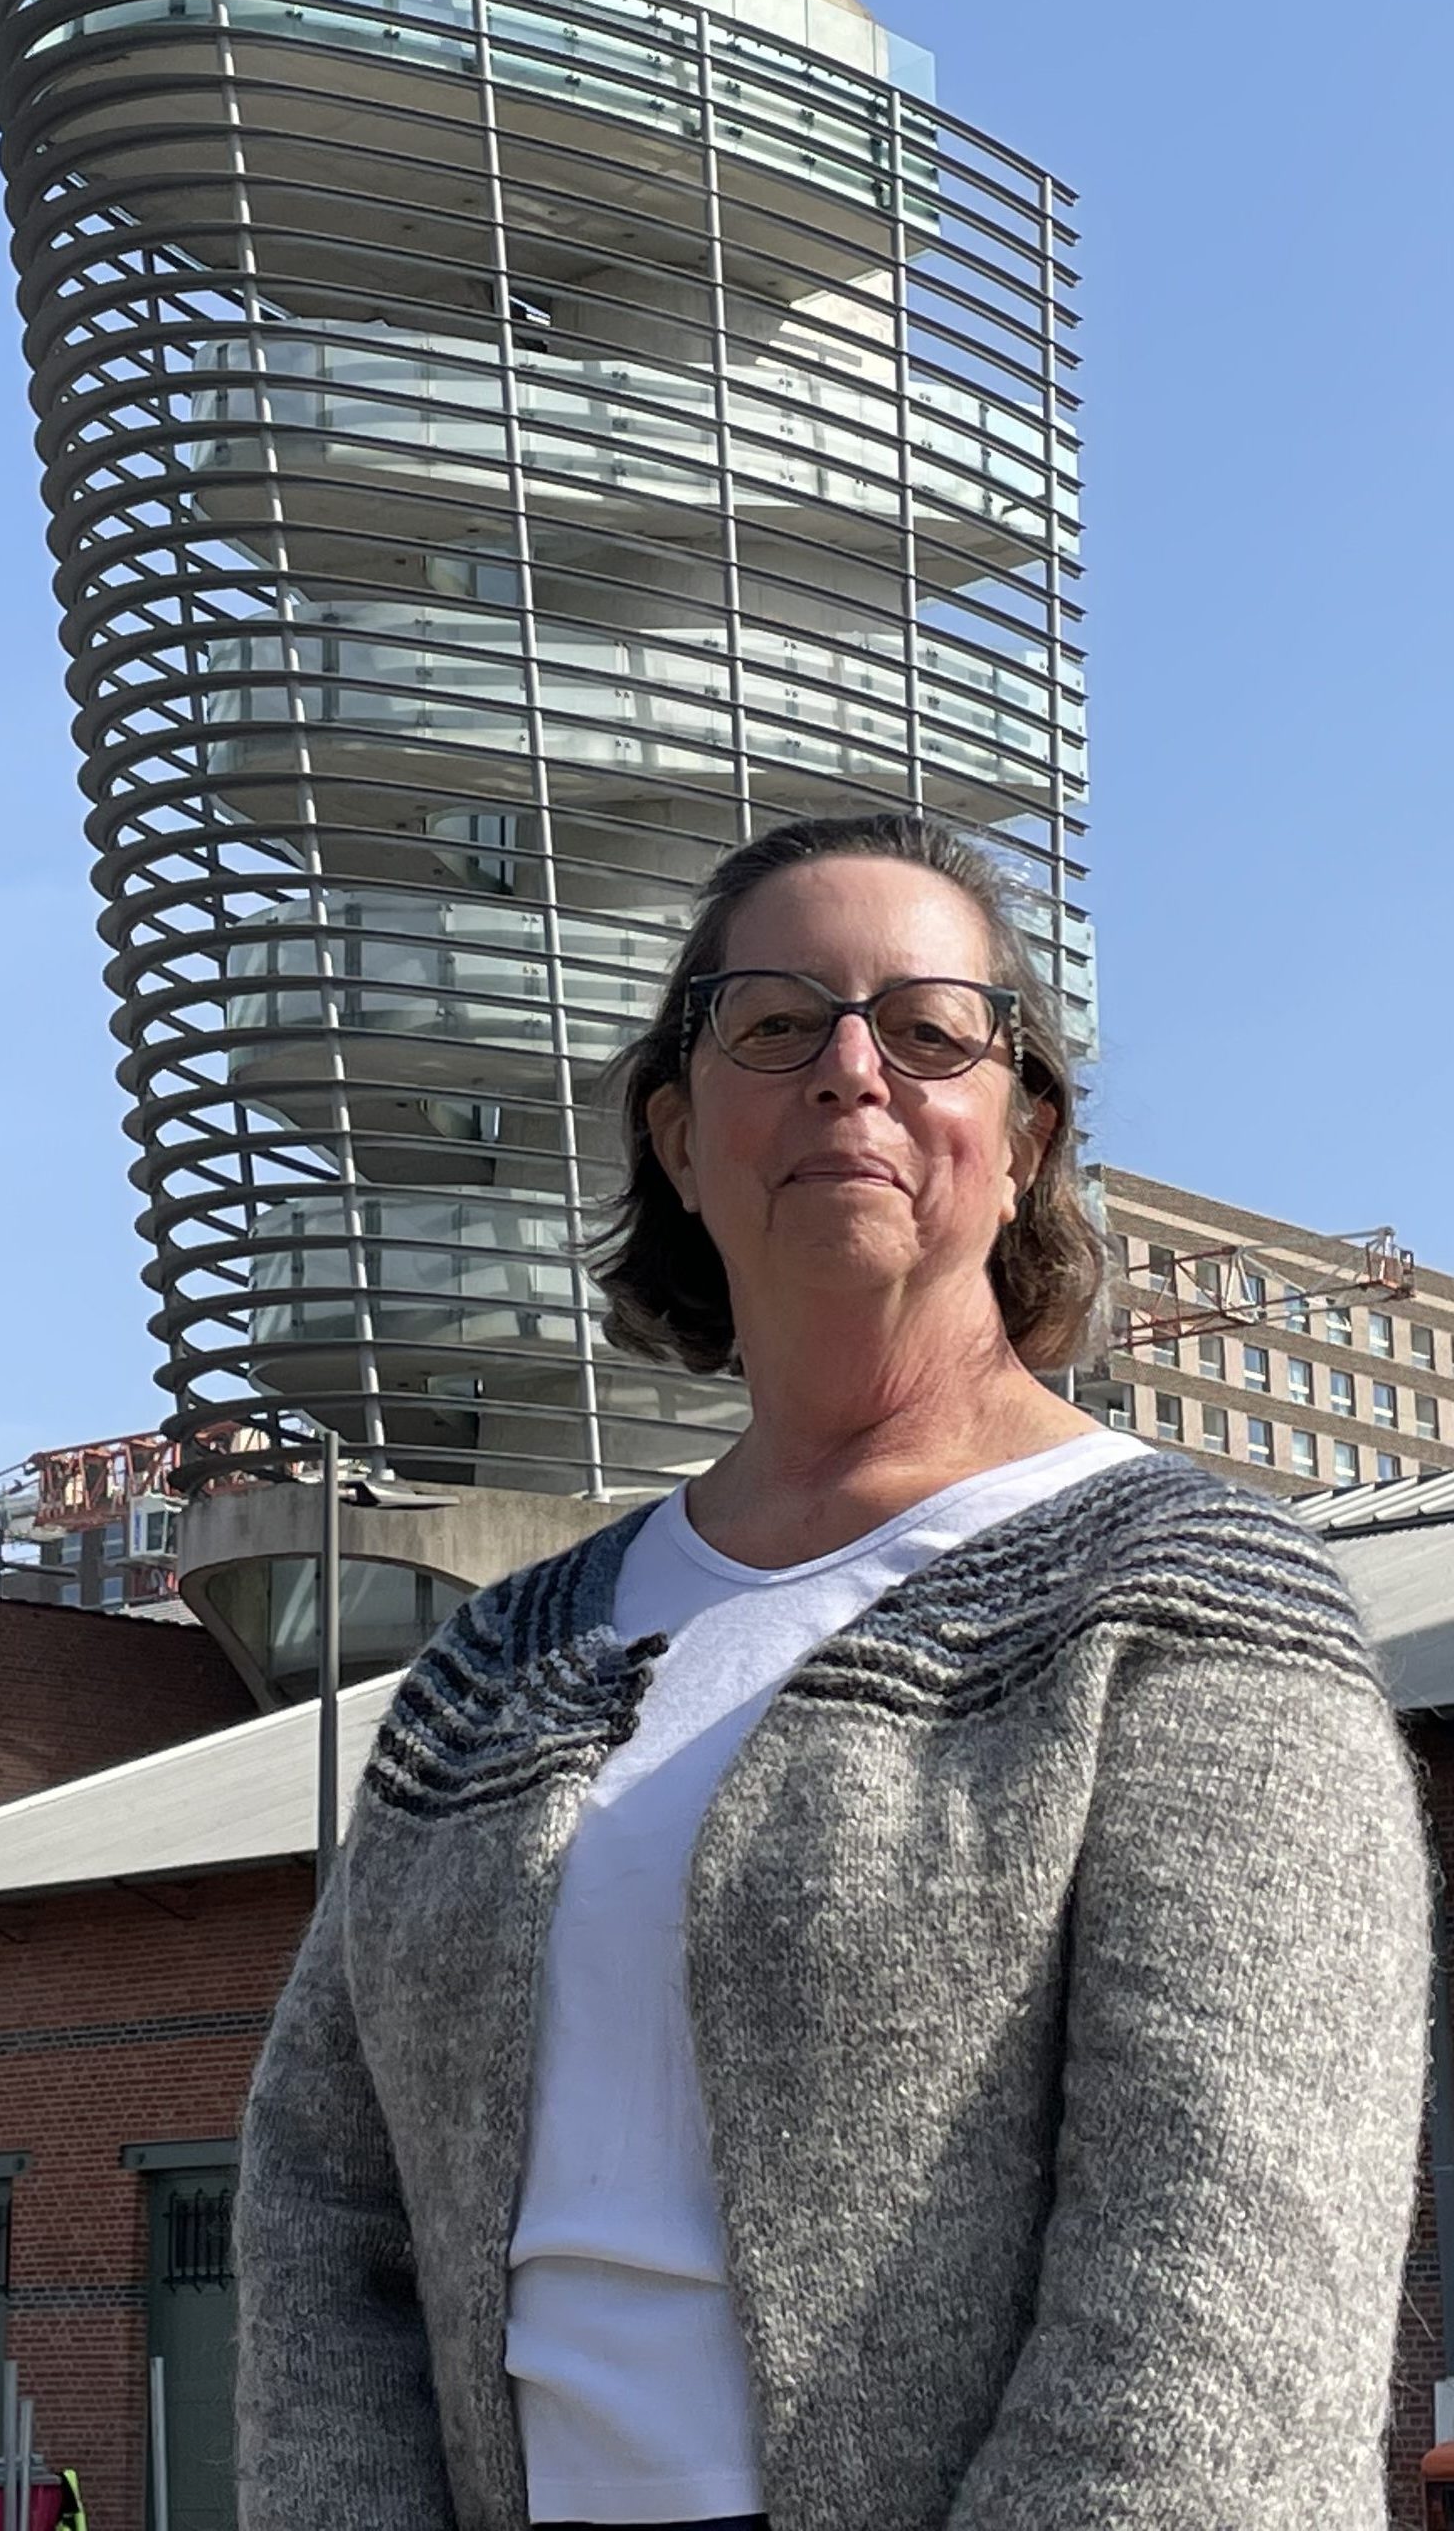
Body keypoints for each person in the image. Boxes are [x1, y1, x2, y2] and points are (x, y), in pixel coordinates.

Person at [233, 808, 1432, 2530]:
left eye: (931, 1028)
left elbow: (1234, 2249)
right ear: (679, 1128)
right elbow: (319, 2198)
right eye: (777, 1022)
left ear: (1019, 1135)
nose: (852, 1069)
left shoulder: (1192, 1596)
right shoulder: (500, 1652)